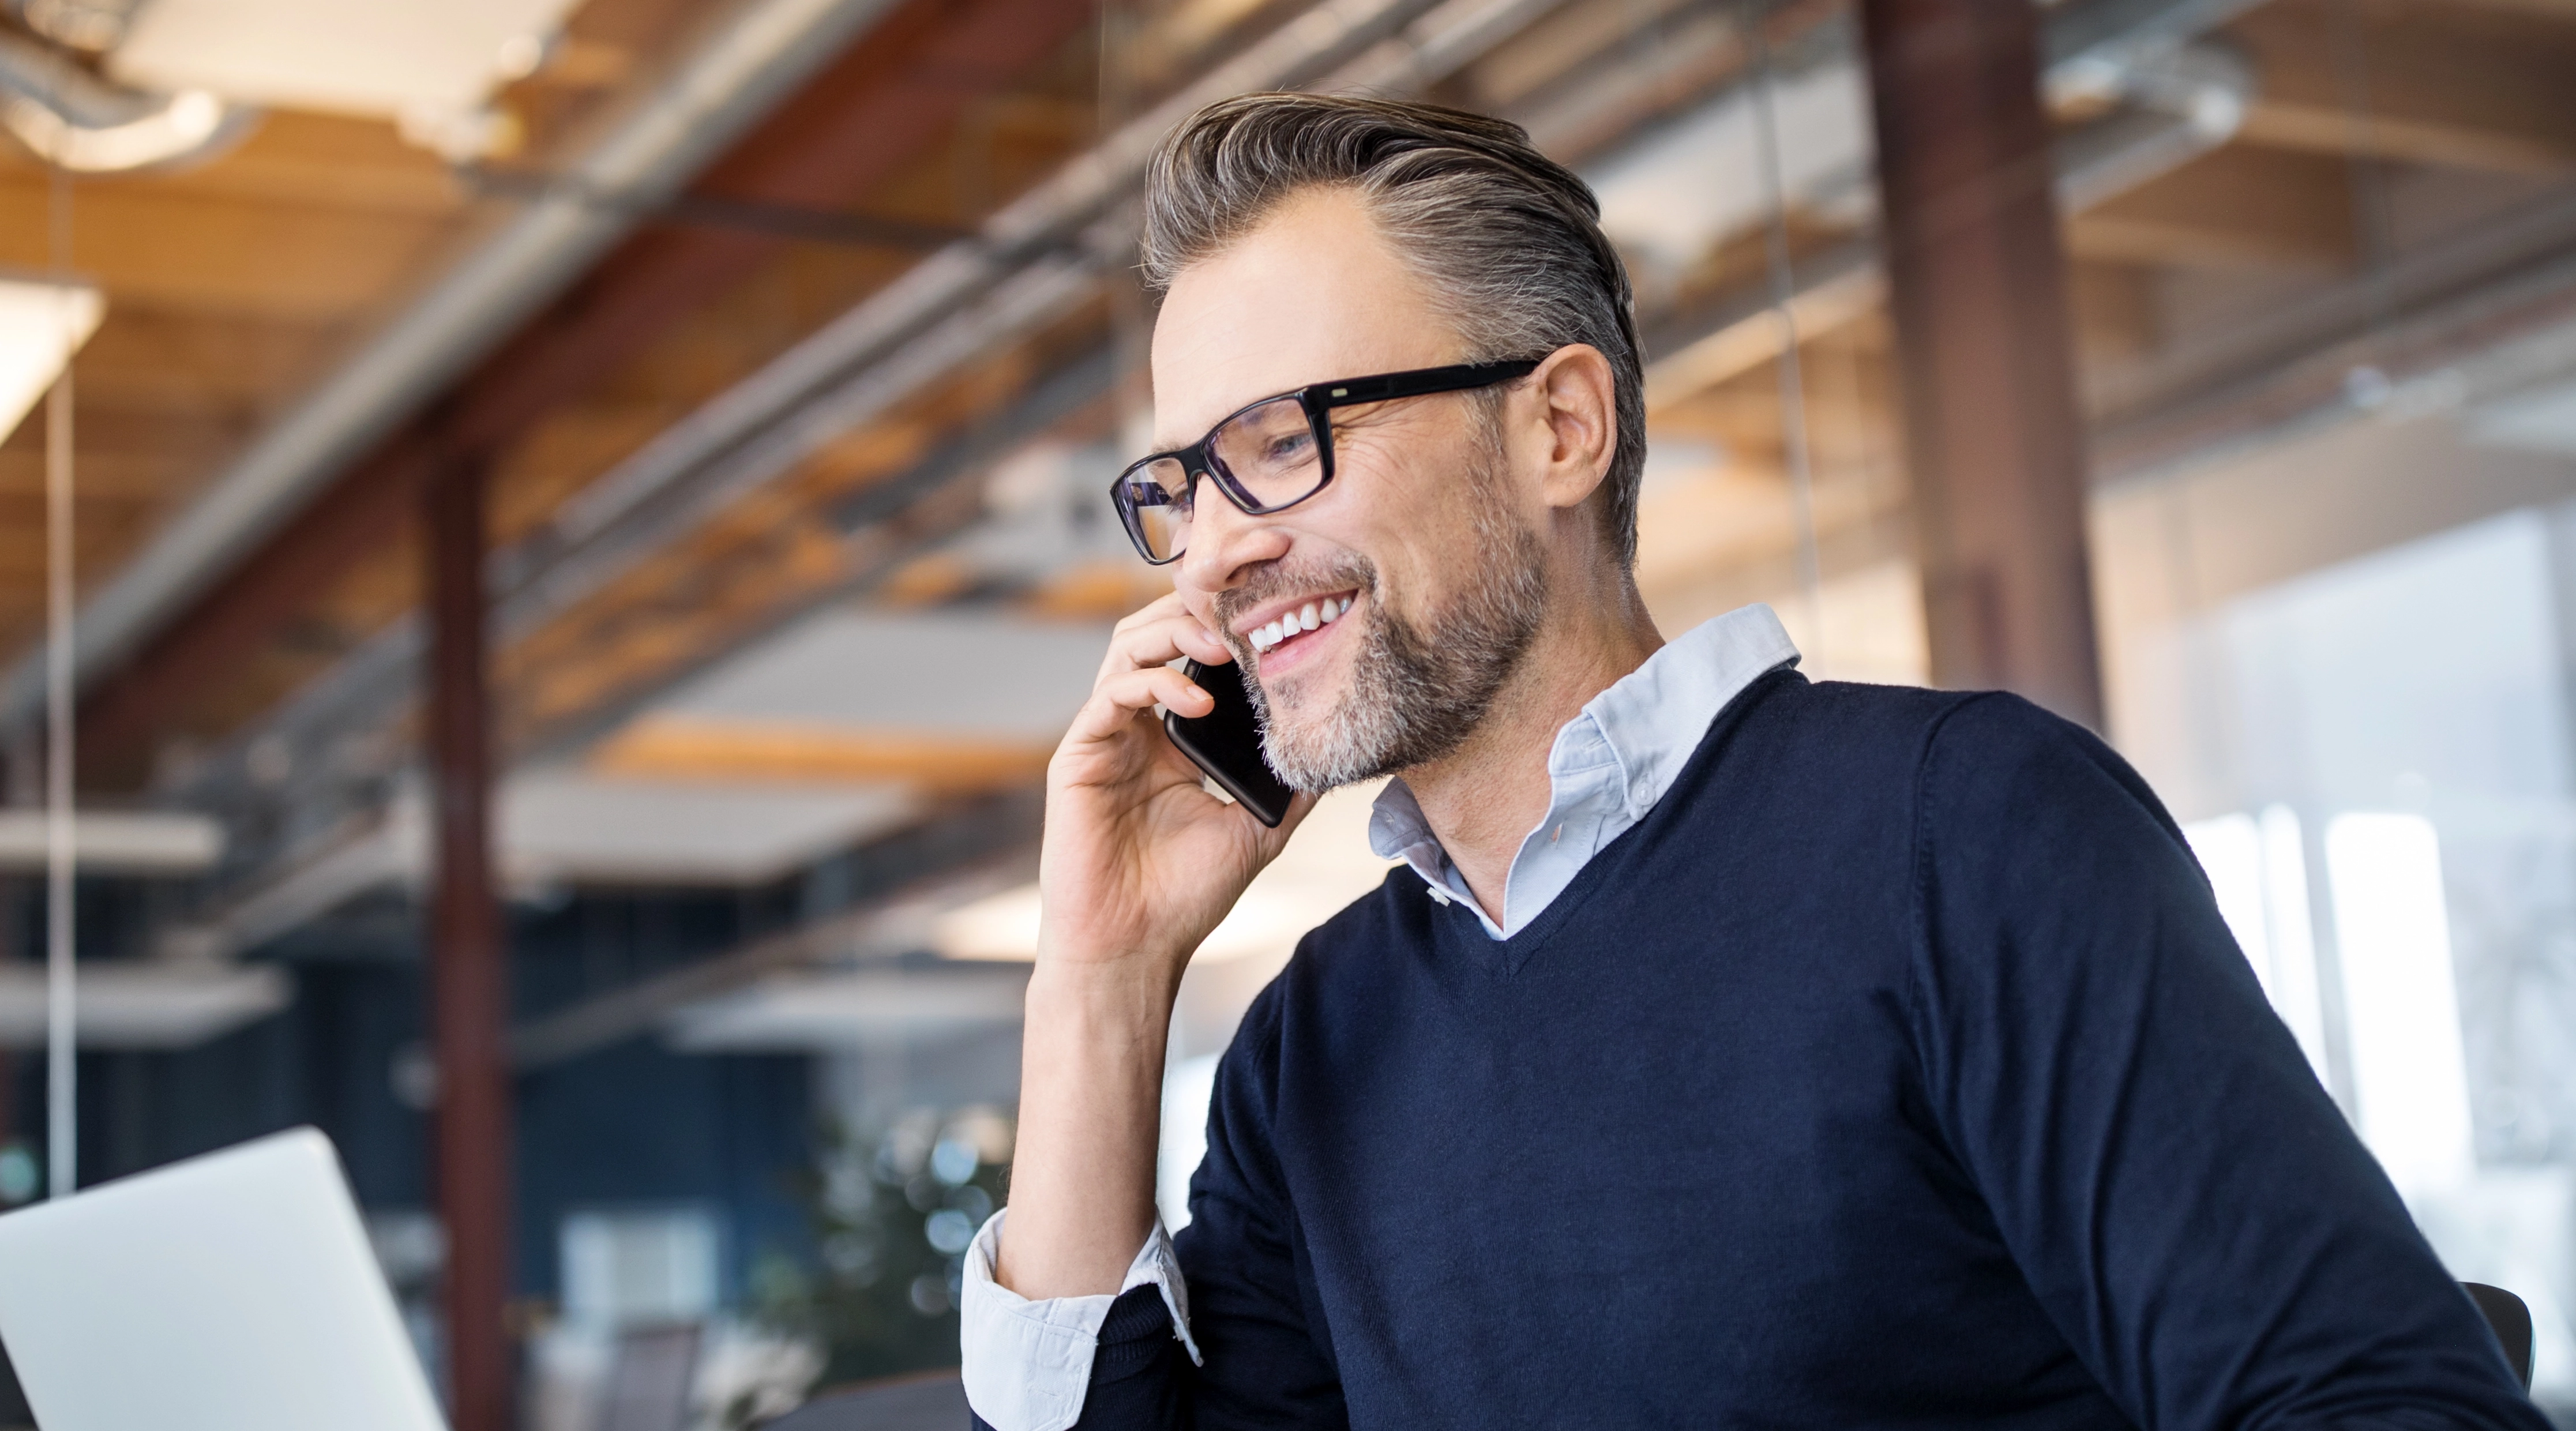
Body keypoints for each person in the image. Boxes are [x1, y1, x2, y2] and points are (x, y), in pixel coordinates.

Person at [956, 93, 2544, 1431]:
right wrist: (1099, 976)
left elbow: (2380, 1399)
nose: (1217, 551)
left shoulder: (1961, 833)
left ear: (1560, 429)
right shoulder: (1311, 1052)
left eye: (1286, 440)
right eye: (1181, 486)